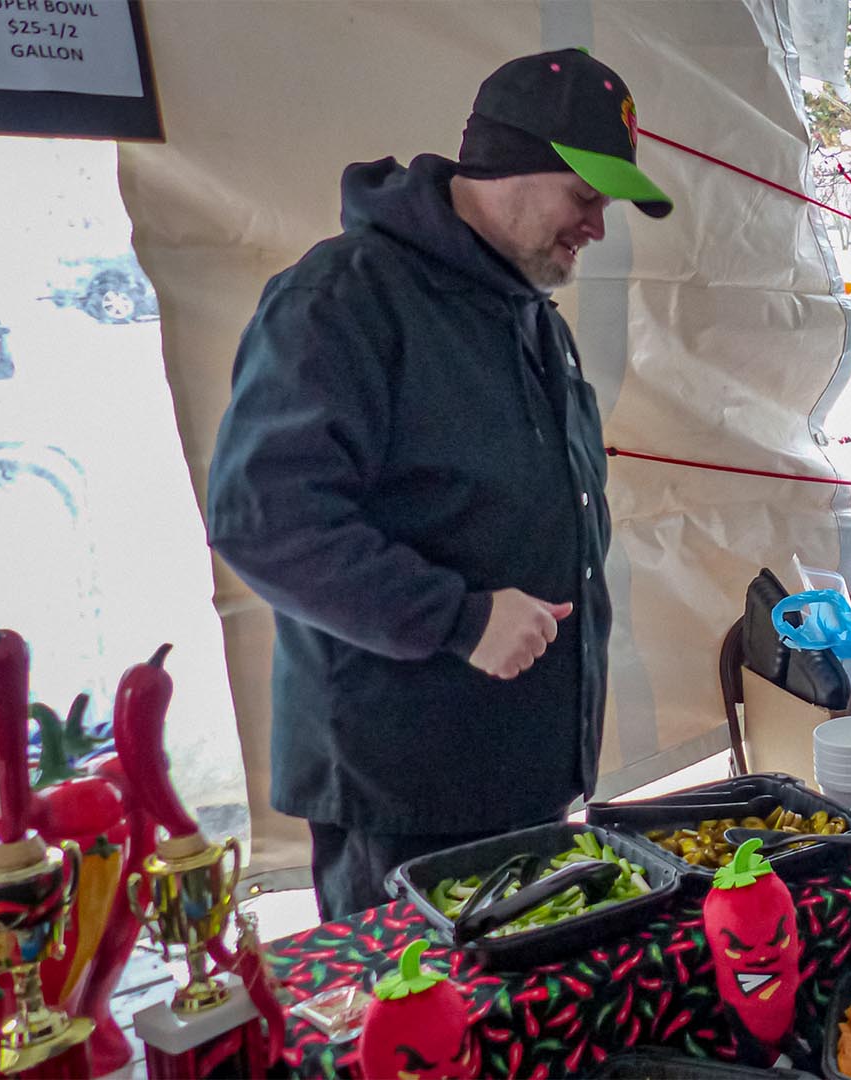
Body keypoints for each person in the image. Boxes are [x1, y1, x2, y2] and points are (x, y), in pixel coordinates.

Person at [207, 49, 672, 920]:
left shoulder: (530, 314)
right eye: (587, 198)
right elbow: (262, 519)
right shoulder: (341, 300)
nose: (598, 228)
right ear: (515, 163)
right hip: (403, 797)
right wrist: (456, 619)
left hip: (521, 778)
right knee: (426, 1043)